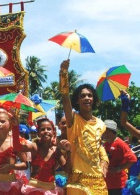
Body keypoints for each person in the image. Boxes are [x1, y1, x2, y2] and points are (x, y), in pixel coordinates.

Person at [59, 60, 109, 194]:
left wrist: (105, 160)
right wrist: (63, 74)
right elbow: (65, 97)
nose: (87, 98)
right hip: (77, 178)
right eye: (83, 96)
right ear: (77, 100)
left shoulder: (101, 124)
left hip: (97, 178)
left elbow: (100, 146)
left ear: (94, 99)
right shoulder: (73, 119)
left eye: (90, 95)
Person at [20, 118, 68, 195]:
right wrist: (15, 127)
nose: (46, 131)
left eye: (49, 129)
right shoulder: (34, 147)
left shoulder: (56, 150)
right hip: (34, 188)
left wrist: (68, 151)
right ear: (38, 133)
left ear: (53, 132)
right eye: (42, 129)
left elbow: (67, 170)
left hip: (51, 189)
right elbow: (17, 147)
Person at [102, 119, 137, 195]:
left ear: (109, 131)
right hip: (106, 182)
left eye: (103, 130)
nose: (102, 133)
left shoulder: (120, 144)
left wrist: (119, 169)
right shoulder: (105, 144)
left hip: (118, 184)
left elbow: (133, 159)